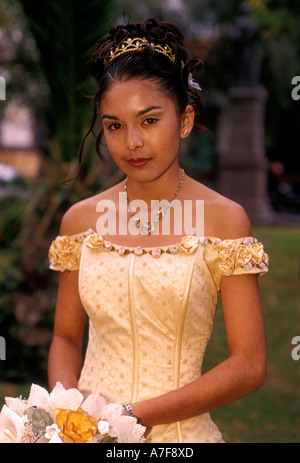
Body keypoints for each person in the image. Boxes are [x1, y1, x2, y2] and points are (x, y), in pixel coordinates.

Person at [47, 17, 269, 443]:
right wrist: (69, 413)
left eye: (148, 121)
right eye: (114, 125)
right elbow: (64, 336)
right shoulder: (80, 221)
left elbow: (249, 364)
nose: (131, 142)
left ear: (184, 120)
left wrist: (130, 417)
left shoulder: (224, 221)